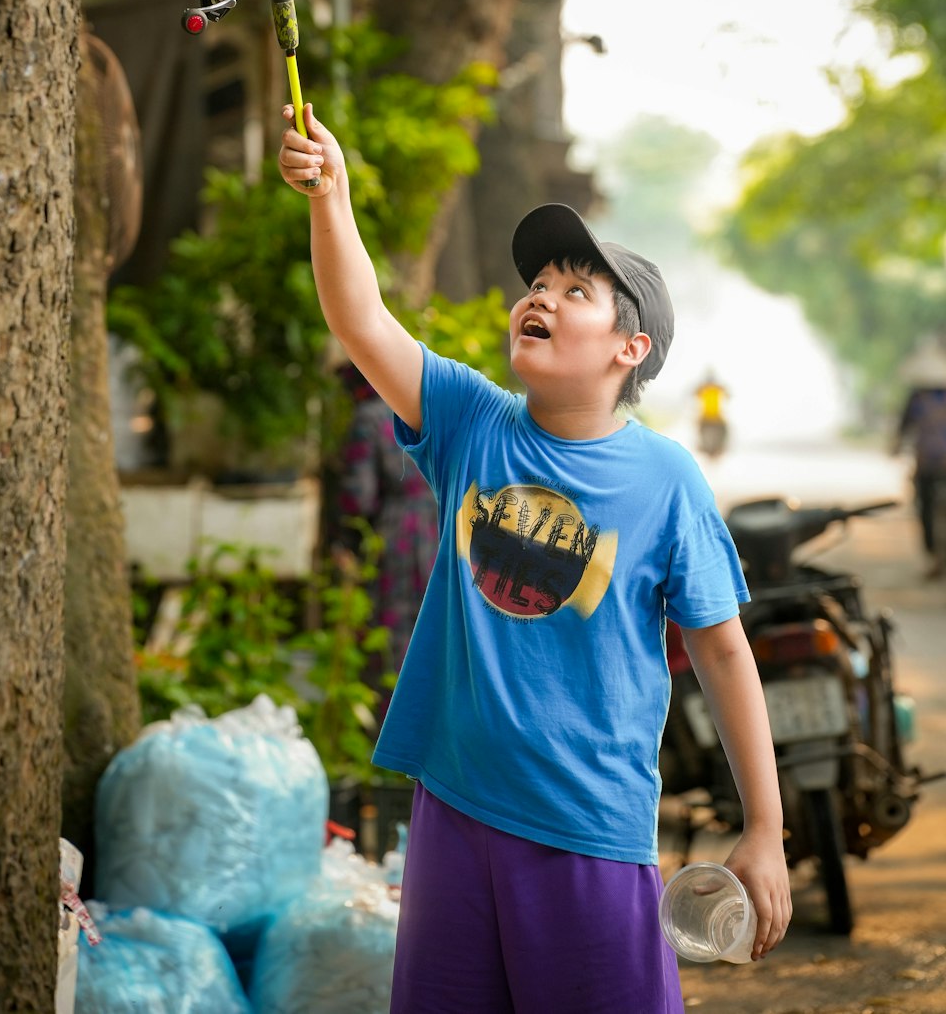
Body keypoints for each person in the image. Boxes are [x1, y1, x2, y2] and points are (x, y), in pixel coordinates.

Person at [280, 103, 791, 1014]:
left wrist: (766, 827)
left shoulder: (666, 480)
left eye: (576, 290)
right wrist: (333, 198)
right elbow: (361, 321)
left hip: (588, 831)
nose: (541, 297)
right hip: (454, 809)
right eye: (539, 282)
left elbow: (722, 651)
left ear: (629, 350)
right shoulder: (472, 421)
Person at [332, 362, 439, 681]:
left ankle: (391, 723)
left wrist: (345, 541)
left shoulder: (370, 418)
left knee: (392, 635)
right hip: (440, 528)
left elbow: (358, 496)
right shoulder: (427, 410)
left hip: (397, 535)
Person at [893, 339, 946, 579]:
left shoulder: (917, 397)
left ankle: (934, 555)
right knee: (926, 508)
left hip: (928, 463)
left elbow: (904, 427)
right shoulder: (917, 397)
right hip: (928, 464)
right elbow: (904, 426)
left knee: (925, 510)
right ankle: (935, 556)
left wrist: (895, 446)